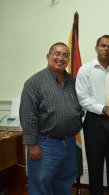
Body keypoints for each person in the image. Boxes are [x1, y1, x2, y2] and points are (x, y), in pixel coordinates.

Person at [19, 42, 83, 195]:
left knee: (65, 183)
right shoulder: (34, 83)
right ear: (48, 56)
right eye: (57, 54)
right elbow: (28, 115)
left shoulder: (73, 82)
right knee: (40, 185)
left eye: (65, 55)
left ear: (68, 60)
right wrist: (32, 144)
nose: (61, 58)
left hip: (69, 142)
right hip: (45, 144)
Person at [76, 35, 109, 195]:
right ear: (96, 47)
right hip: (94, 122)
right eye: (103, 45)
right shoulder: (85, 69)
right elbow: (83, 99)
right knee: (94, 164)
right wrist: (105, 109)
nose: (106, 49)